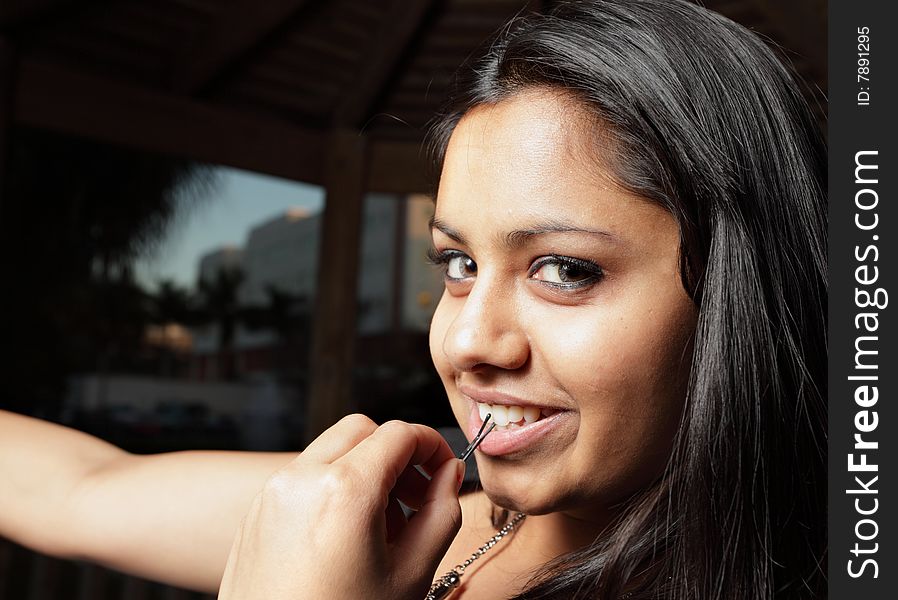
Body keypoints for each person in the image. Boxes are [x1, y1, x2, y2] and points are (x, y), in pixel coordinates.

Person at [2, 1, 826, 598]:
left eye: (565, 270)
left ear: (738, 297)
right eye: (458, 263)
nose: (469, 341)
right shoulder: (400, 530)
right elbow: (79, 489)